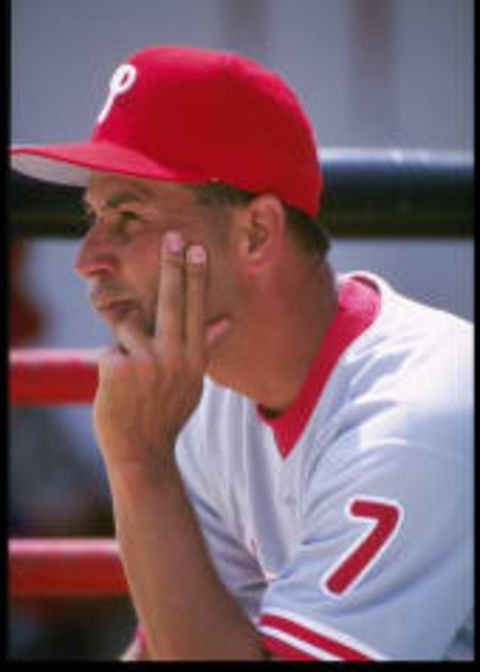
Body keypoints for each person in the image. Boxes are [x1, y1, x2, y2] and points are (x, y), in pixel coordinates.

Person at [10, 46, 473, 661]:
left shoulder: (415, 416)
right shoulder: (210, 396)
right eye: (92, 216)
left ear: (255, 233)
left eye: (126, 214)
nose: (86, 258)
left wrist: (140, 462)